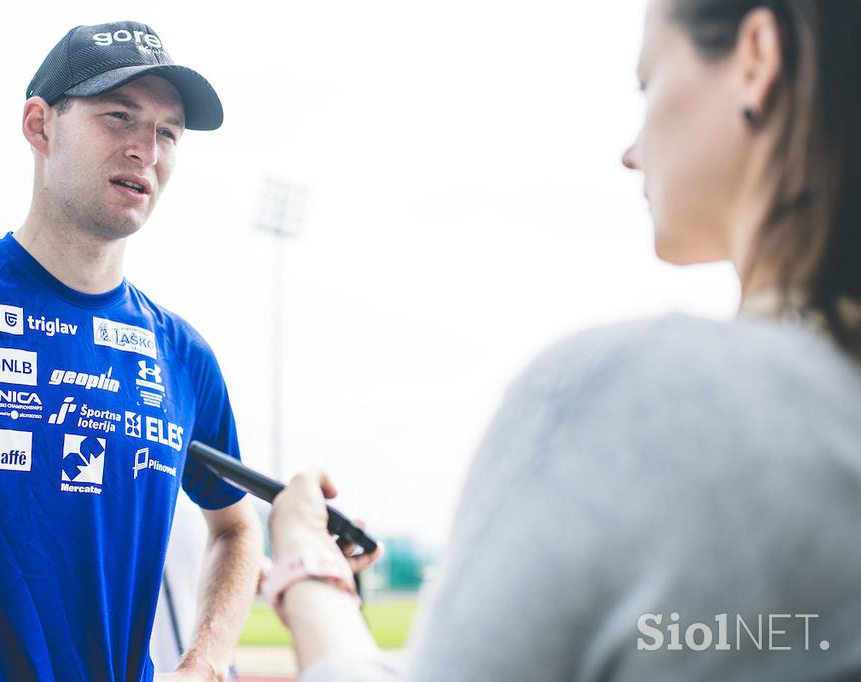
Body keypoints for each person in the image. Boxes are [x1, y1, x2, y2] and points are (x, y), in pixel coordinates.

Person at [264, 1, 861, 680]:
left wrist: (306, 564)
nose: (629, 151)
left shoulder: (633, 394)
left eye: (648, 82)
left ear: (756, 58)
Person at [0, 20, 262, 681]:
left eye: (169, 132)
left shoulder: (182, 359)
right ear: (40, 126)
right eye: (119, 117)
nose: (146, 149)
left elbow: (237, 527)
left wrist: (204, 664)